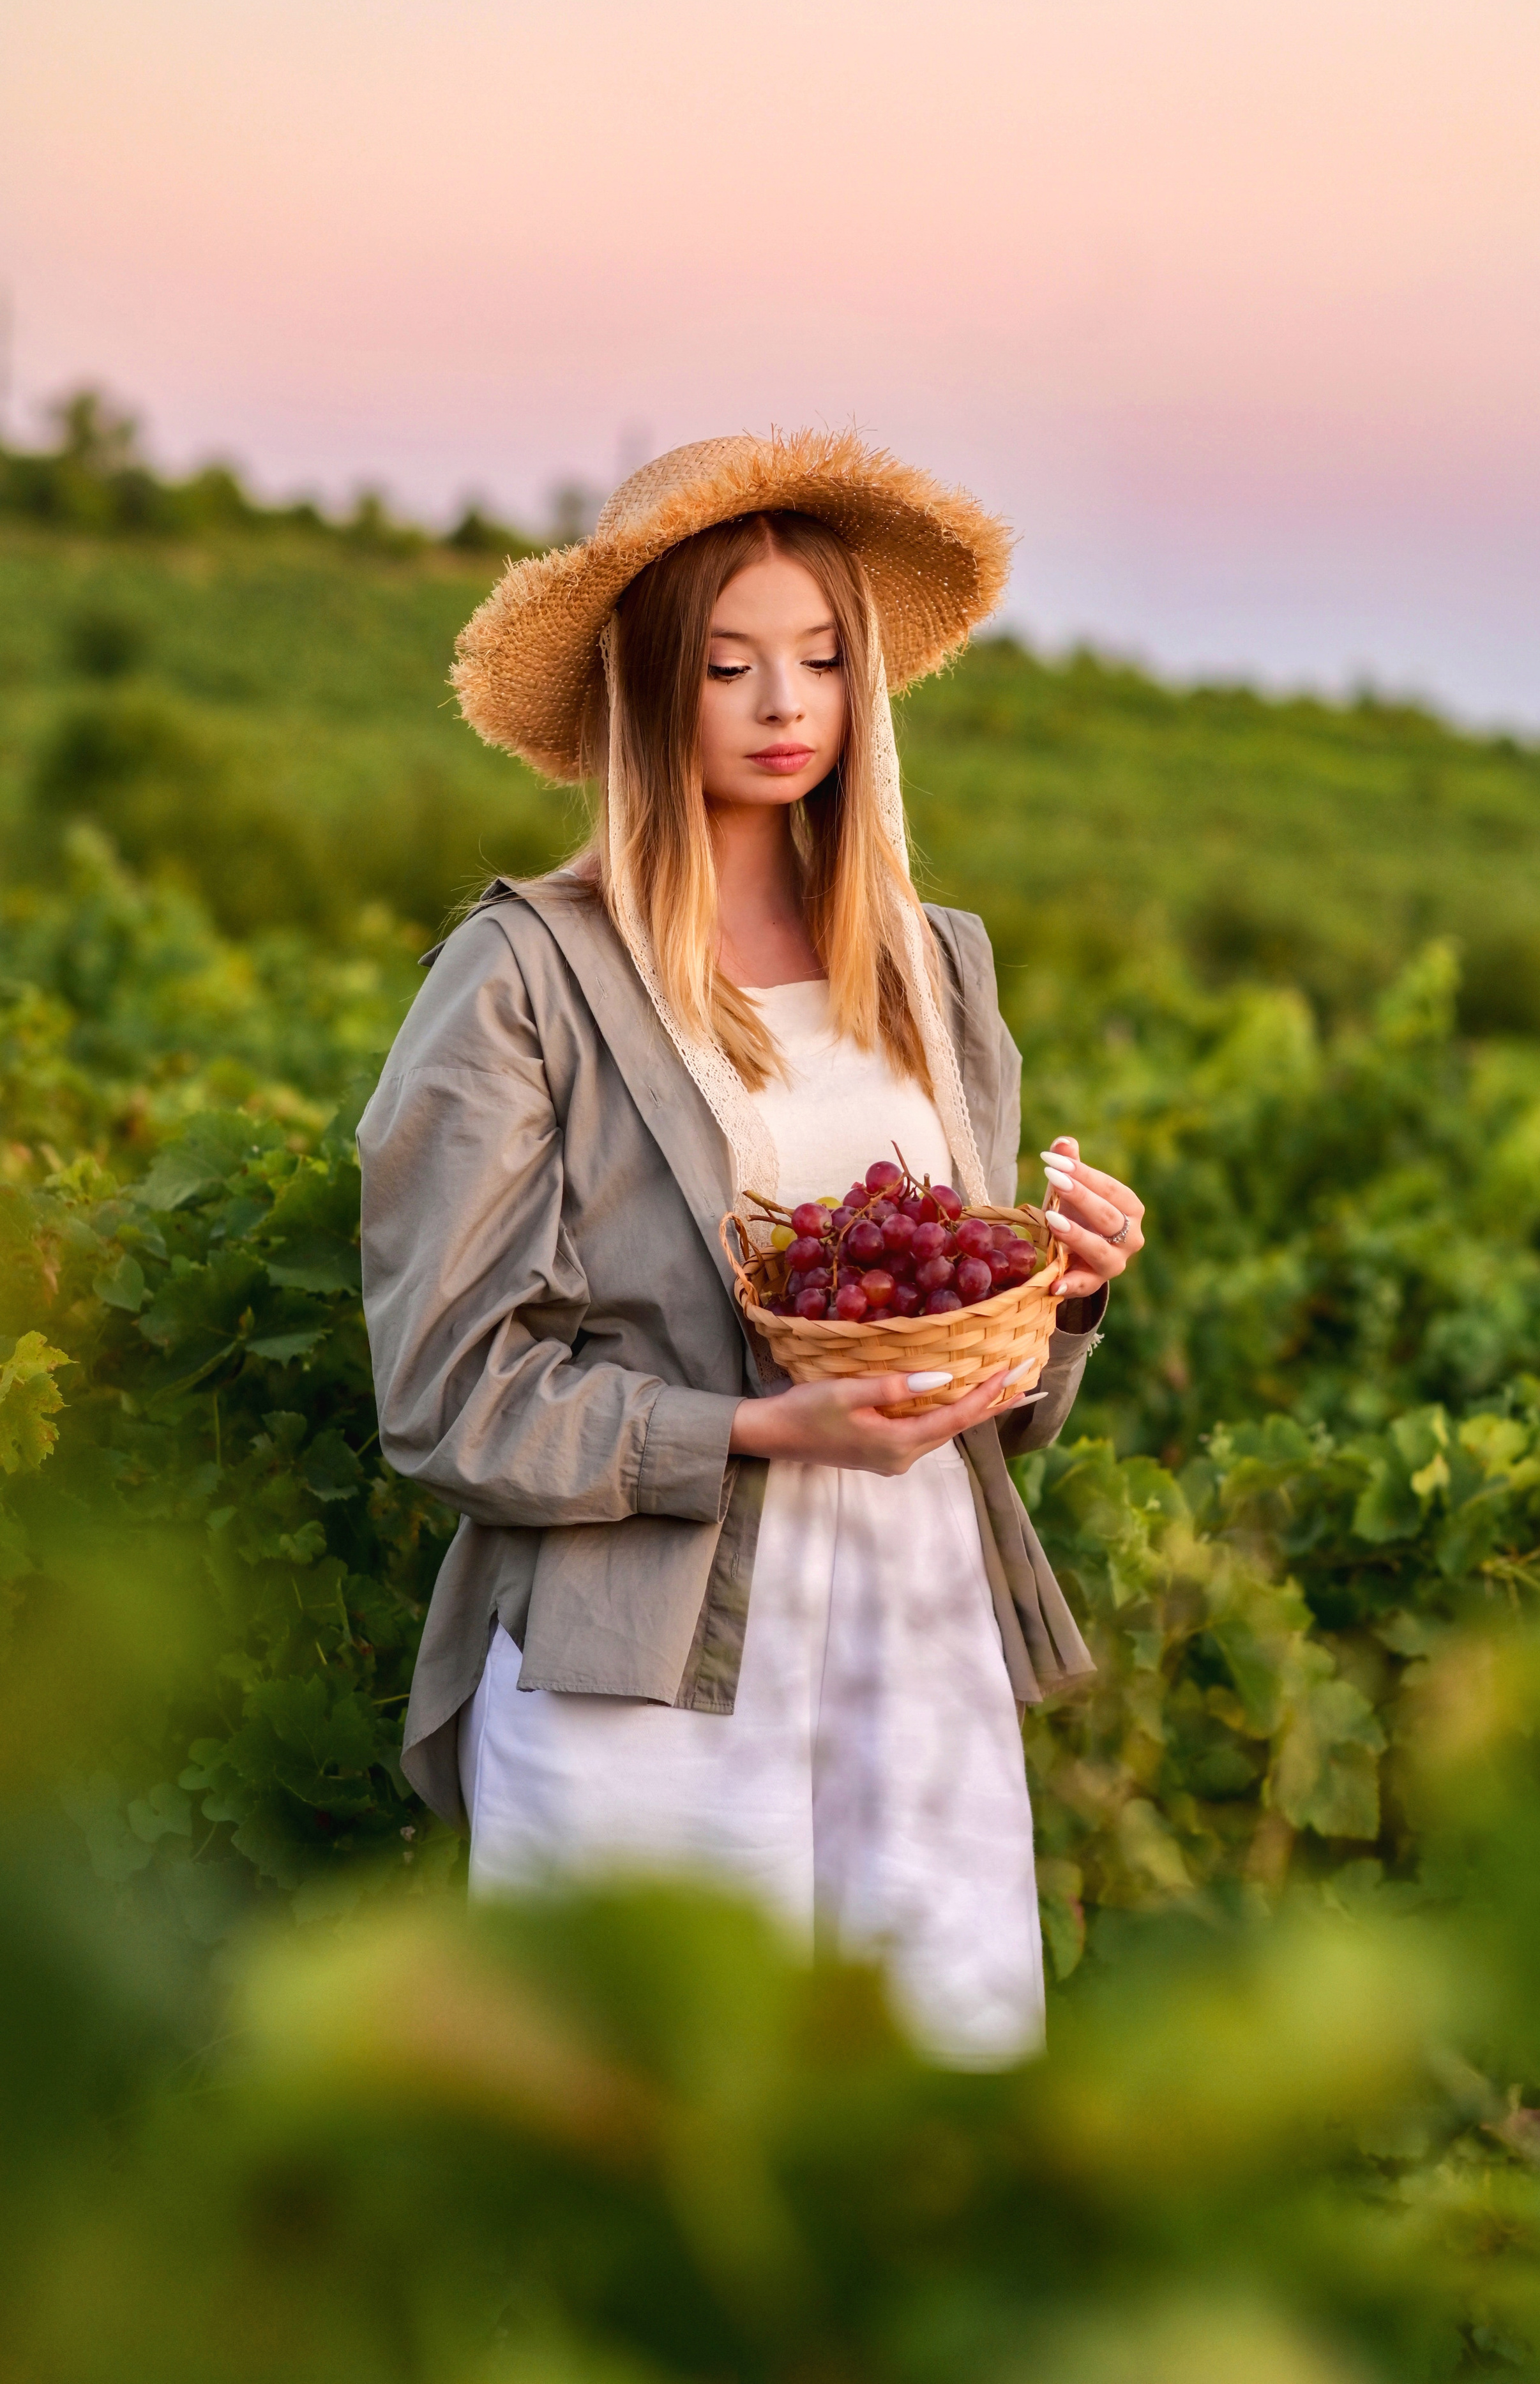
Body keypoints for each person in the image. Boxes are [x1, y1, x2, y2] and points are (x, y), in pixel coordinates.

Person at [358, 433, 1145, 2063]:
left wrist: (1057, 1301)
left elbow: (974, 1405)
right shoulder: (523, 976)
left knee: (918, 2122)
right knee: (652, 2127)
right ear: (649, 688)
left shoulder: (934, 966)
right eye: (728, 665)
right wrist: (754, 1429)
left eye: (821, 658)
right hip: (642, 1678)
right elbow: (447, 1393)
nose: (784, 704)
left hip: (915, 1643)